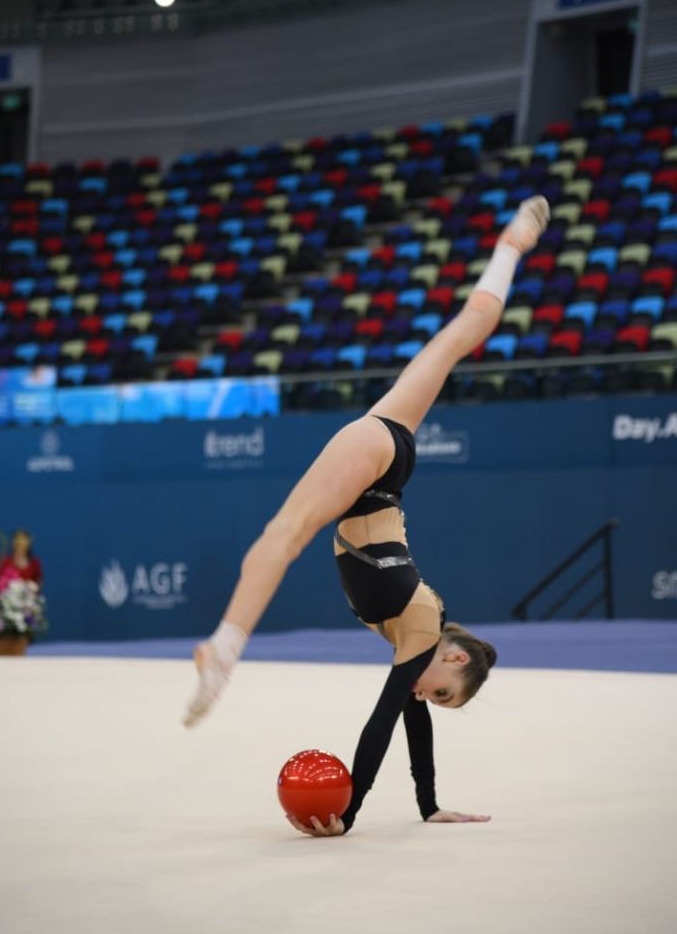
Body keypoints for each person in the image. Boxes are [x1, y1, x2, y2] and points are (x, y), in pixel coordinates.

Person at [183, 196, 551, 836]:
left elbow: (410, 721)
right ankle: (225, 647)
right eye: (441, 691)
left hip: (390, 457)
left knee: (464, 331)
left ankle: (513, 245)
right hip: (378, 465)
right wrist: (347, 815)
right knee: (285, 532)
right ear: (455, 659)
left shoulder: (413, 641)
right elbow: (382, 720)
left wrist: (429, 805)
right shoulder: (419, 630)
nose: (426, 699)